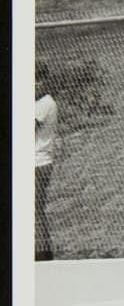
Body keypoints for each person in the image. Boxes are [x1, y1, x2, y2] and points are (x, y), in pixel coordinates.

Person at [35, 80, 58, 260]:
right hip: (35, 161)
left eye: (37, 81)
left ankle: (43, 255)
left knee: (35, 209)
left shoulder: (45, 103)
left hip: (38, 162)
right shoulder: (37, 102)